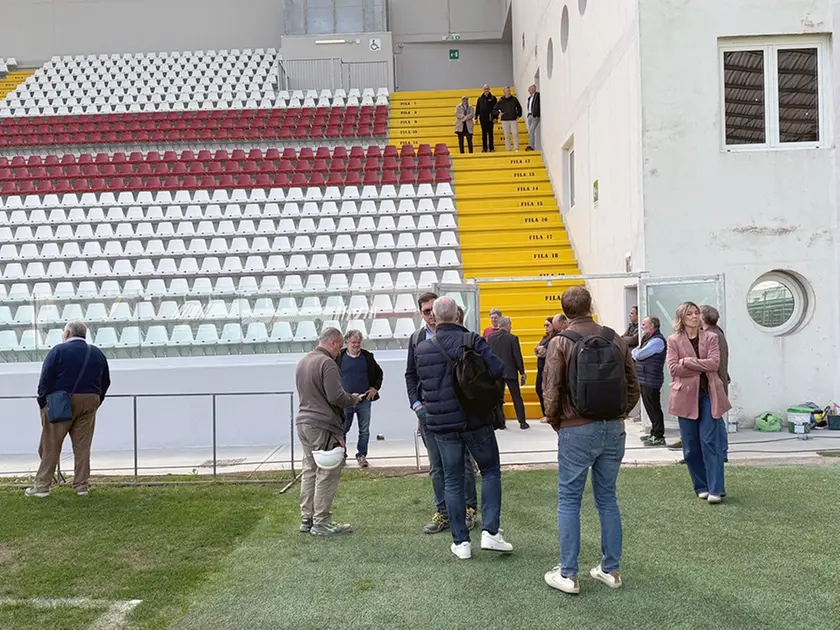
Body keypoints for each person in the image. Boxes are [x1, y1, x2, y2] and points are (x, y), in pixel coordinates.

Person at [542, 287, 639, 595]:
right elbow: (633, 383)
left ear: (565, 311)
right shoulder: (614, 338)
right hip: (613, 427)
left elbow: (551, 389)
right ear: (590, 306)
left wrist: (558, 421)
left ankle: (568, 574)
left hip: (576, 428)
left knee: (569, 500)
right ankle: (611, 569)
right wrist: (621, 413)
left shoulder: (560, 342)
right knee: (607, 498)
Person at [414, 297, 513, 559]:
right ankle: (491, 533)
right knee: (490, 472)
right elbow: (498, 369)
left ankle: (461, 542)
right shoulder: (472, 340)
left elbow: (424, 385)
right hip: (476, 419)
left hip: (442, 424)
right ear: (458, 314)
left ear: (434, 316)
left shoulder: (422, 349)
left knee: (452, 480)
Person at [405, 292, 479, 535]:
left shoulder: (462, 335)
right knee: (436, 466)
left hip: (459, 411)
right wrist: (416, 405)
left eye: (432, 310)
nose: (430, 315)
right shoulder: (416, 339)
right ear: (421, 313)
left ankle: (469, 509)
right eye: (425, 311)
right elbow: (411, 374)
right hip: (428, 412)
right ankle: (443, 512)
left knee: (464, 463)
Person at [26, 320, 111, 498]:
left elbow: (46, 378)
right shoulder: (96, 353)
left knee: (51, 445)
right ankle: (81, 486)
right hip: (90, 401)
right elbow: (106, 381)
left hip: (61, 402)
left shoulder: (58, 350)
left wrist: (42, 401)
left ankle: (42, 486)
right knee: (82, 446)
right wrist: (96, 400)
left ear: (67, 334)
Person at [296, 327, 365, 536]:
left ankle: (307, 518)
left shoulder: (304, 361)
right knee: (327, 470)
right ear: (334, 342)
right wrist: (353, 398)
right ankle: (322, 521)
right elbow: (336, 397)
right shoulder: (327, 363)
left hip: (303, 422)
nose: (340, 352)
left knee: (309, 469)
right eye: (340, 347)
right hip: (322, 425)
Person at [667, 302, 731, 504]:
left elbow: (714, 364)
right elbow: (674, 369)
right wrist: (696, 366)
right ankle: (701, 486)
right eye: (689, 314)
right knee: (691, 446)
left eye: (696, 313)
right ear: (681, 318)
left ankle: (716, 489)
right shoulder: (673, 340)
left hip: (708, 395)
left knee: (710, 441)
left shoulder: (711, 337)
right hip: (685, 397)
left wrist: (687, 361)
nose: (694, 316)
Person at [339, 329, 383, 468]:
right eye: (353, 342)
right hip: (346, 400)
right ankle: (342, 455)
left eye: (358, 342)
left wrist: (375, 388)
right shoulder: (338, 358)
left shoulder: (367, 357)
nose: (356, 345)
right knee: (342, 429)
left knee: (364, 430)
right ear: (346, 342)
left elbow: (379, 373)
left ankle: (362, 455)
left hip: (364, 400)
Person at [701, 305, 730, 463]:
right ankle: (721, 452)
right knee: (716, 417)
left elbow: (709, 362)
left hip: (714, 382)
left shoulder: (710, 336)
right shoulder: (718, 332)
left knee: (715, 418)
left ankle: (720, 452)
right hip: (718, 380)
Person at [488, 317, 529, 430]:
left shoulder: (491, 338)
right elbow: (517, 356)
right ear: (507, 325)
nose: (511, 327)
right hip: (510, 371)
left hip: (497, 372)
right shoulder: (512, 338)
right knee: (516, 397)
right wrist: (522, 372)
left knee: (498, 399)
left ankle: (500, 423)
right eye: (510, 325)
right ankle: (522, 422)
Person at [632, 316, 667, 446]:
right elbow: (638, 351)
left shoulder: (657, 341)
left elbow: (640, 354)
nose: (642, 326)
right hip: (645, 378)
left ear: (652, 326)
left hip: (652, 379)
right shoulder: (648, 338)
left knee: (654, 407)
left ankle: (658, 435)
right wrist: (637, 351)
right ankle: (654, 433)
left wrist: (636, 351)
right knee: (649, 407)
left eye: (644, 324)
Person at [535, 316, 556, 423]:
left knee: (547, 392)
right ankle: (546, 413)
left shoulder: (555, 338)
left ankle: (549, 414)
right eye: (545, 325)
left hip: (548, 368)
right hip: (540, 367)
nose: (546, 327)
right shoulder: (545, 337)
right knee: (538, 389)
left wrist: (543, 350)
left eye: (548, 325)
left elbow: (549, 352)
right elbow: (537, 349)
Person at [493, 86, 522, 152]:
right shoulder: (501, 100)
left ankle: (516, 148)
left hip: (513, 119)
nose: (508, 92)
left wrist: (519, 115)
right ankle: (508, 149)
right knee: (506, 135)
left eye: (509, 91)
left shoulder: (514, 99)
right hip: (504, 120)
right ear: (504, 92)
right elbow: (494, 109)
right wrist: (499, 113)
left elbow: (519, 107)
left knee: (515, 134)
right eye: (507, 91)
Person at [474, 84, 498, 152]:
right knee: (484, 134)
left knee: (490, 133)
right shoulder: (480, 98)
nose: (486, 90)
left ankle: (491, 148)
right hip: (482, 118)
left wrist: (495, 117)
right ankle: (484, 148)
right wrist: (476, 117)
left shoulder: (493, 98)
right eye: (485, 89)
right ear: (483, 90)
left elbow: (496, 109)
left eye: (487, 88)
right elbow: (477, 108)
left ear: (489, 89)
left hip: (491, 118)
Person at [525, 84, 541, 151]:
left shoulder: (537, 95)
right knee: (530, 131)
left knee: (531, 130)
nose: (529, 90)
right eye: (529, 89)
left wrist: (536, 113)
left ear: (534, 89)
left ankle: (530, 146)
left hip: (534, 115)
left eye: (530, 89)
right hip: (530, 115)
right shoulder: (529, 98)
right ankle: (531, 145)